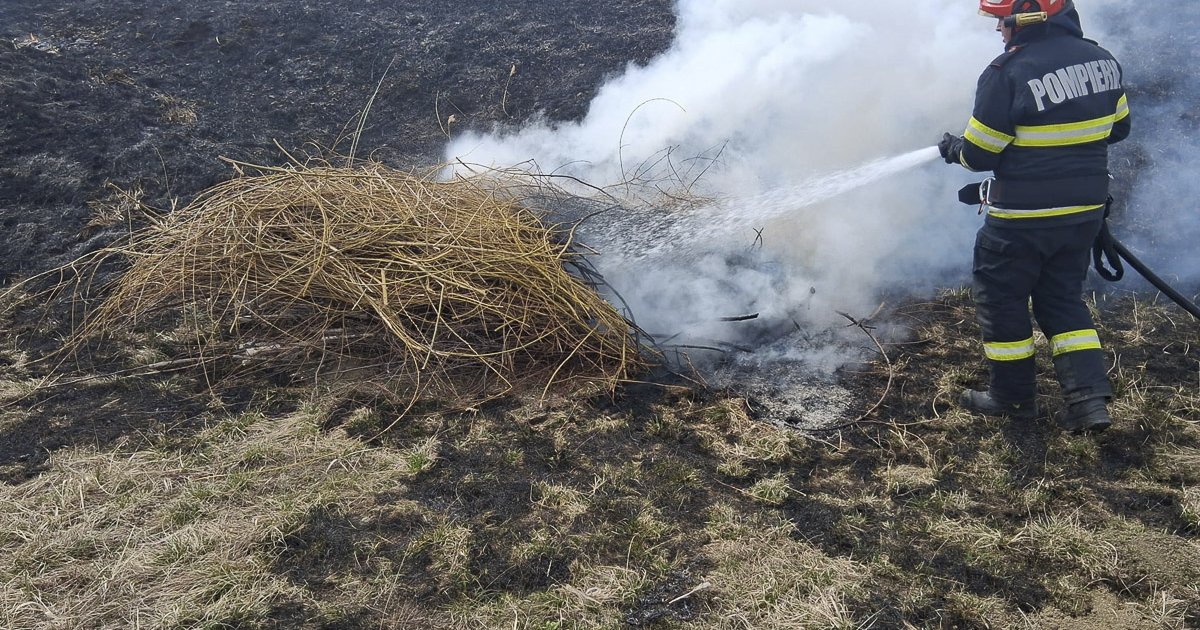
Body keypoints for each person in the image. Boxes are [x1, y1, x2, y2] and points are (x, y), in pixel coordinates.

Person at [938, 0, 1130, 433]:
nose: (998, 31)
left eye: (1001, 22)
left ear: (1027, 18)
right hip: (1082, 215)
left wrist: (954, 149)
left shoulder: (1007, 72)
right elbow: (1118, 128)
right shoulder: (1102, 60)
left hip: (1021, 220)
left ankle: (1011, 398)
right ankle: (1089, 403)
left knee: (1002, 301)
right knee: (1061, 300)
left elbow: (978, 153)